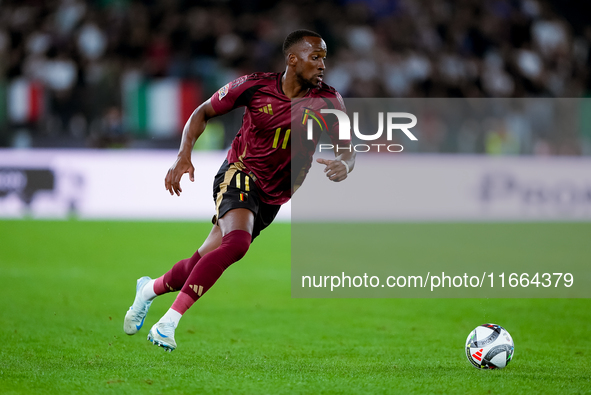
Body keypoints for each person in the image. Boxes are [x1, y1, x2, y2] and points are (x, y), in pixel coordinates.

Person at [123, 29, 355, 352]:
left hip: (273, 197)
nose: (322, 66)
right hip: (239, 174)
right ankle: (168, 323)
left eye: (324, 59)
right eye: (315, 57)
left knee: (200, 262)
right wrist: (183, 155)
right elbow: (202, 111)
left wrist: (345, 163)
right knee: (238, 242)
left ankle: (148, 289)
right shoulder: (255, 86)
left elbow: (347, 148)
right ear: (293, 59)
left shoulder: (329, 101)